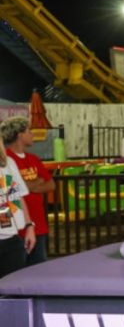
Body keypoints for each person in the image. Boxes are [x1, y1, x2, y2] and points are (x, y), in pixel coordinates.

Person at [1, 117, 53, 265]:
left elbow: (14, 195)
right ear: (19, 135)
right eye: (28, 131)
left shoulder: (7, 163)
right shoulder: (9, 160)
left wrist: (29, 226)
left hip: (15, 232)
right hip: (13, 232)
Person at [0, 135, 35, 278]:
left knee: (12, 285)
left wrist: (29, 226)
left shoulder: (9, 163)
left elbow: (18, 196)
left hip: (12, 239)